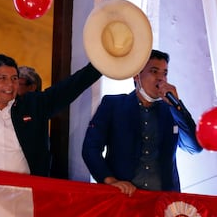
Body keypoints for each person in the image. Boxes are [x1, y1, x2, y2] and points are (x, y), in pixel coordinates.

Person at [0, 53, 101, 176]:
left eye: (14, 78)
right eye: (3, 78)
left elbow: (69, 87)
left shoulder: (33, 105)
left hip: (25, 194)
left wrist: (102, 64)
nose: (10, 84)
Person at [82, 49, 203, 195]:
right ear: (136, 75)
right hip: (124, 198)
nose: (161, 79)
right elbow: (91, 148)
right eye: (154, 71)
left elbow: (195, 147)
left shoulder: (171, 111)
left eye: (165, 73)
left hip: (163, 203)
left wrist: (177, 106)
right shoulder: (113, 105)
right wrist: (110, 181)